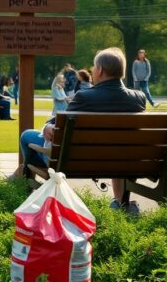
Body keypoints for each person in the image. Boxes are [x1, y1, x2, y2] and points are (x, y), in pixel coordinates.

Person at [19, 47, 146, 213]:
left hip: (76, 162)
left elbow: (57, 123)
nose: (92, 70)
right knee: (119, 149)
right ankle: (121, 203)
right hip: (123, 161)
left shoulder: (84, 96)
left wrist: (47, 126)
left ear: (100, 69)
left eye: (94, 66)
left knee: (27, 135)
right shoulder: (138, 98)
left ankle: (31, 181)